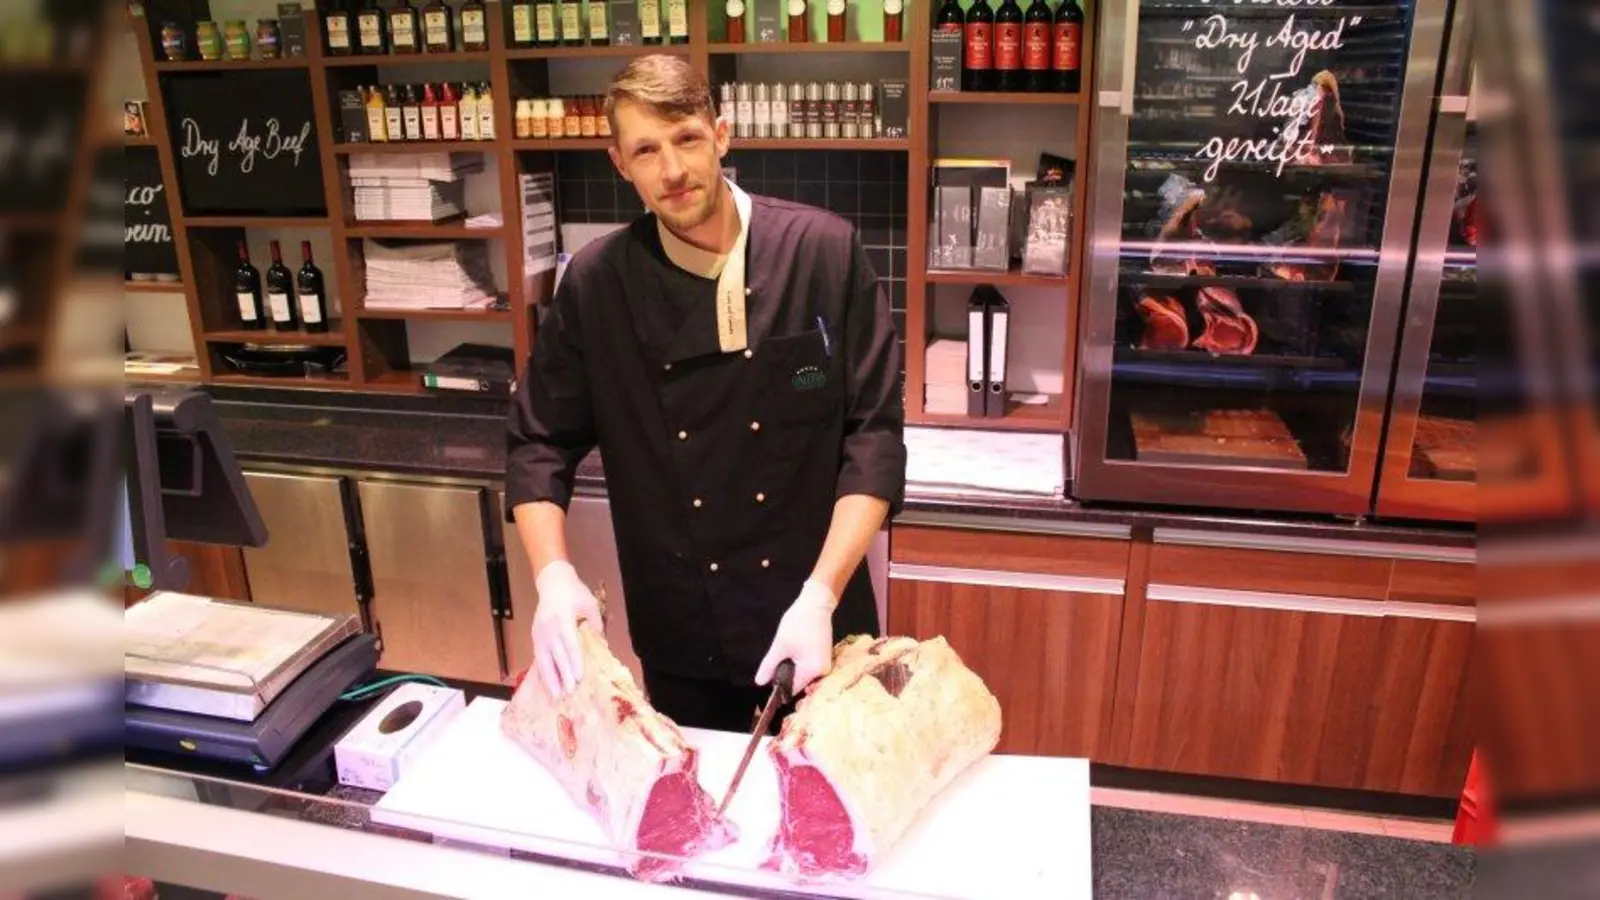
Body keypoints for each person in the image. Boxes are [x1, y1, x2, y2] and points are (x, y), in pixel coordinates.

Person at [504, 54, 906, 734]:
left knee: (832, 816)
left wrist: (820, 596)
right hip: (683, 635)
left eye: (687, 138)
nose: (672, 171)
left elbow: (875, 439)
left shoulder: (822, 253)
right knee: (698, 820)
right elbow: (538, 440)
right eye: (645, 150)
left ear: (721, 133)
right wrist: (552, 579)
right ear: (618, 162)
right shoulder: (597, 284)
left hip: (821, 625)